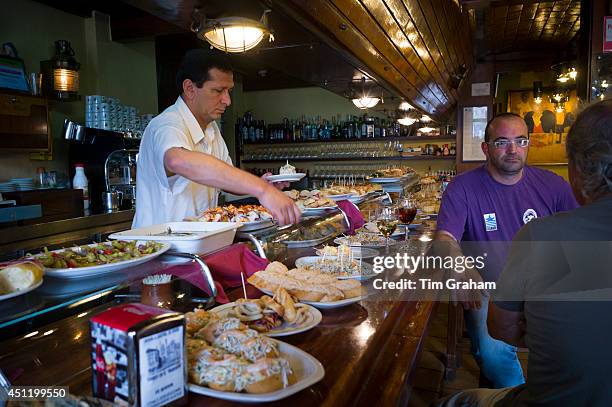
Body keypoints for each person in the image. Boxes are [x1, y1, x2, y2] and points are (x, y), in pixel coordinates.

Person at [434, 99, 612, 407]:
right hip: (488, 288)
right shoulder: (462, 187)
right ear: (486, 148)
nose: (513, 149)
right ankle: (518, 389)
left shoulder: (553, 184)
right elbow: (444, 237)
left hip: (546, 289)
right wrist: (458, 266)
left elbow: (584, 237)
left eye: (521, 141)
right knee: (493, 352)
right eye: (502, 142)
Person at [133, 49, 300, 228]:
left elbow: (225, 177)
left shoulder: (211, 129)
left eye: (228, 91)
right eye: (218, 90)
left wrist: (261, 185)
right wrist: (262, 189)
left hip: (198, 244)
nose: (227, 101)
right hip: (161, 248)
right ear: (190, 88)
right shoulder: (168, 123)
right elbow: (177, 161)